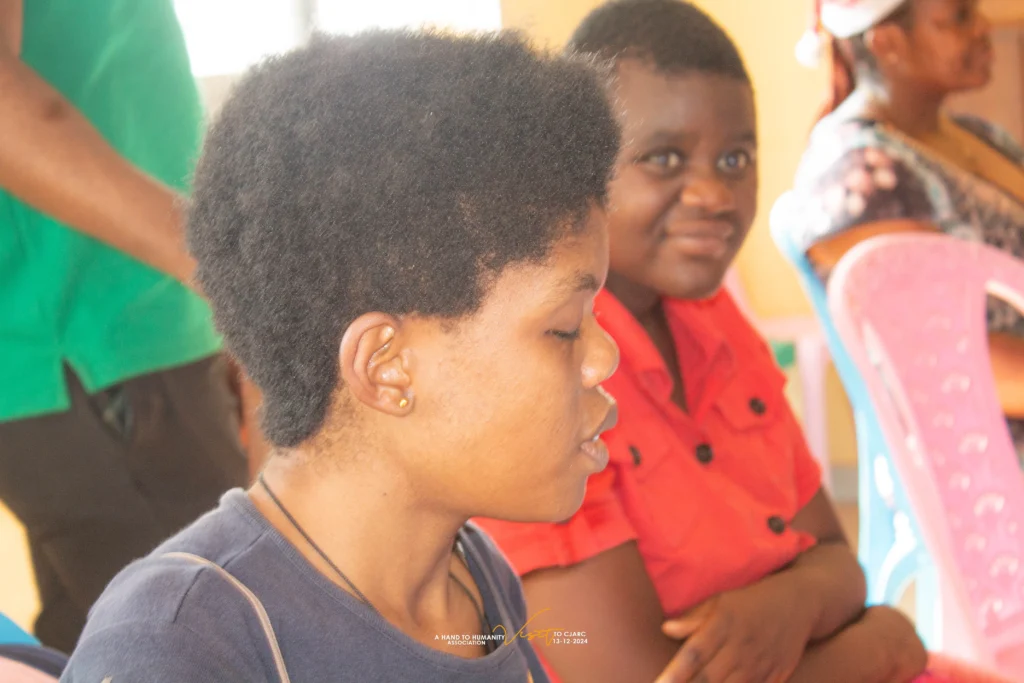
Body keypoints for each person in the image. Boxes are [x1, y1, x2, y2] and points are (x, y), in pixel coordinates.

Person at [60, 29, 622, 682]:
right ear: (386, 365)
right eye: (565, 327)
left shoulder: (474, 575)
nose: (604, 357)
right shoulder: (180, 645)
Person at [474, 2, 932, 682]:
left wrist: (790, 604)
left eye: (735, 158)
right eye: (664, 158)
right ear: (571, 169)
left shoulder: (713, 318)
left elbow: (839, 564)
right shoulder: (536, 372)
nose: (716, 193)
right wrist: (881, 646)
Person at [0, 0, 247, 653]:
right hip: (87, 345)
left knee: (98, 645)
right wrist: (218, 267)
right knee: (221, 639)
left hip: (122, 332)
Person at [776, 0, 1024, 460]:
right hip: (986, 465)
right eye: (960, 17)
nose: (984, 27)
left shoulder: (979, 135)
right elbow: (945, 361)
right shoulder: (858, 172)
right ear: (888, 43)